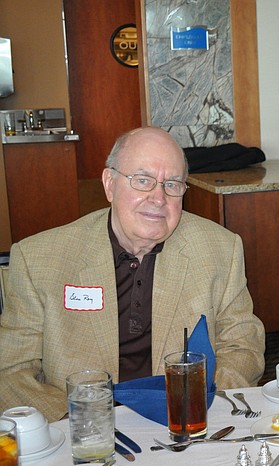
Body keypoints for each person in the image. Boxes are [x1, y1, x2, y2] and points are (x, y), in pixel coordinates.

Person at [0, 127, 265, 421]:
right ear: (109, 184)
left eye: (172, 184)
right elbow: (11, 370)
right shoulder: (39, 259)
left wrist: (199, 406)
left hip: (185, 421)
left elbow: (244, 346)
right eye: (142, 180)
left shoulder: (220, 249)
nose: (158, 198)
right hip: (82, 427)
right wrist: (78, 420)